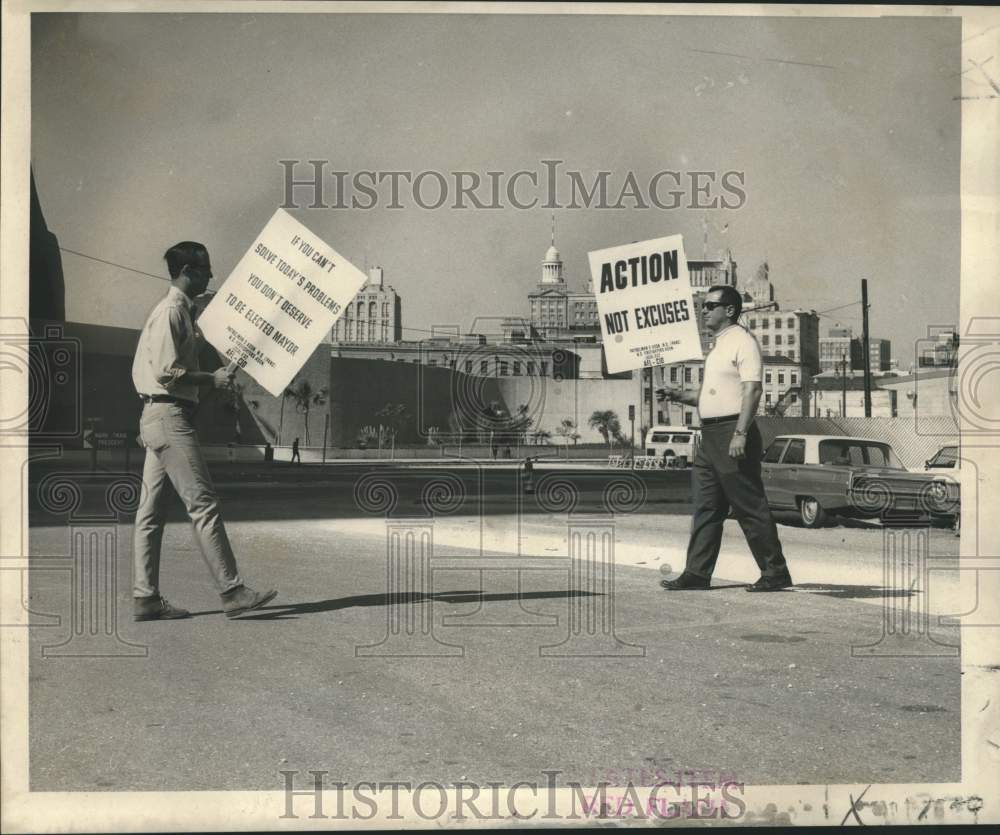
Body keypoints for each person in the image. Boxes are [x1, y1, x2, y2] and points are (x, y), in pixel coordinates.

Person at [131, 241, 277, 621]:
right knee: (203, 504)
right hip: (169, 416)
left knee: (150, 514)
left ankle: (145, 597)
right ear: (188, 272)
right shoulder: (171, 312)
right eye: (206, 270)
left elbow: (153, 374)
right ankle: (232, 590)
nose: (211, 276)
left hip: (157, 415)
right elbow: (166, 371)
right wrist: (211, 378)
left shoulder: (176, 311)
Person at [658, 285, 792, 592]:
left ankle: (775, 571)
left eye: (709, 306)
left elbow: (752, 390)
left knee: (748, 505)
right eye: (703, 306)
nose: (703, 310)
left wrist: (741, 433)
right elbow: (714, 395)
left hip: (732, 430)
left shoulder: (743, 342)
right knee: (707, 507)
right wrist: (680, 395)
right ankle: (697, 572)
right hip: (709, 435)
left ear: (729, 310)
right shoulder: (717, 346)